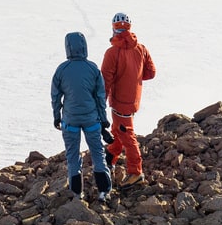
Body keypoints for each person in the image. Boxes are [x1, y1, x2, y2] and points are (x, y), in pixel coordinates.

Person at [51, 31, 112, 202]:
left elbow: (56, 97)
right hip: (91, 119)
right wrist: (103, 118)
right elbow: (100, 96)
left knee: (72, 156)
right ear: (84, 46)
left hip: (70, 120)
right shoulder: (93, 68)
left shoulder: (61, 70)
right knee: (97, 153)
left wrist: (57, 117)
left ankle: (77, 193)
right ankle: (103, 191)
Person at [101, 11, 156, 188]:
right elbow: (151, 72)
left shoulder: (112, 52)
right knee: (119, 129)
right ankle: (110, 156)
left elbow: (105, 80)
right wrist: (135, 79)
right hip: (134, 100)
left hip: (119, 101)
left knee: (127, 134)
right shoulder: (141, 49)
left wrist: (101, 101)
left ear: (113, 28)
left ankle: (135, 172)